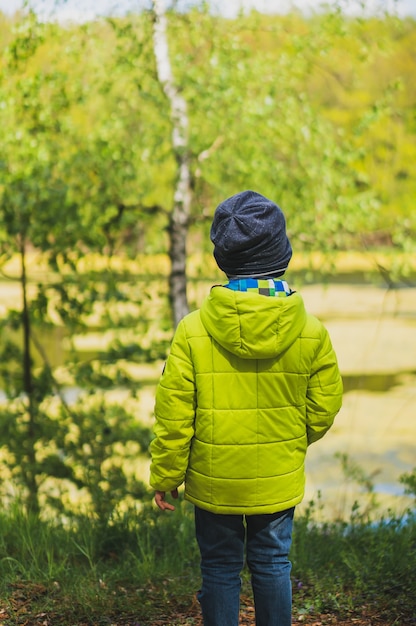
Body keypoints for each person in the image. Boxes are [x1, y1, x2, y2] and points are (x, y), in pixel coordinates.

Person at [149, 190, 343, 626]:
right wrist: (291, 439)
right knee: (273, 562)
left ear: (224, 260)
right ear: (283, 254)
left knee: (219, 568)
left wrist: (166, 474)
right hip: (277, 476)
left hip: (215, 483)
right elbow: (325, 405)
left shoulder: (193, 330)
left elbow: (174, 415)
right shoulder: (312, 331)